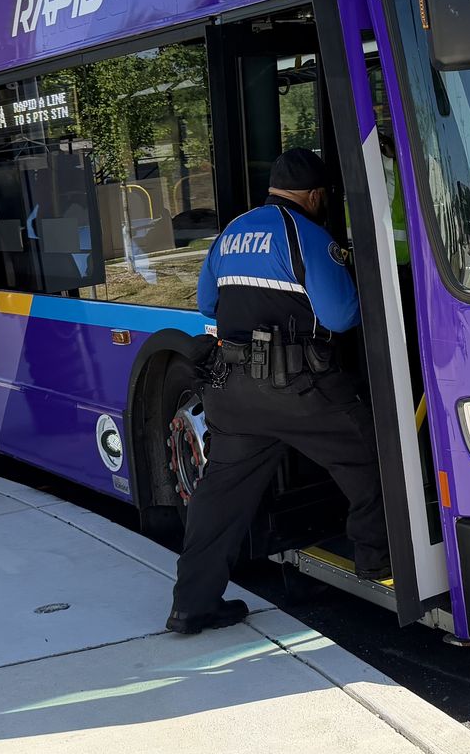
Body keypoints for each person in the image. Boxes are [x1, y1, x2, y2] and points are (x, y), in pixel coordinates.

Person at [165, 148, 389, 635]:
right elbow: (340, 316)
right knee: (372, 455)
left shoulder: (230, 233)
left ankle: (191, 606)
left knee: (219, 497)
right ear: (315, 195)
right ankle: (377, 563)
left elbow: (207, 301)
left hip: (233, 392)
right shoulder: (307, 235)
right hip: (300, 389)